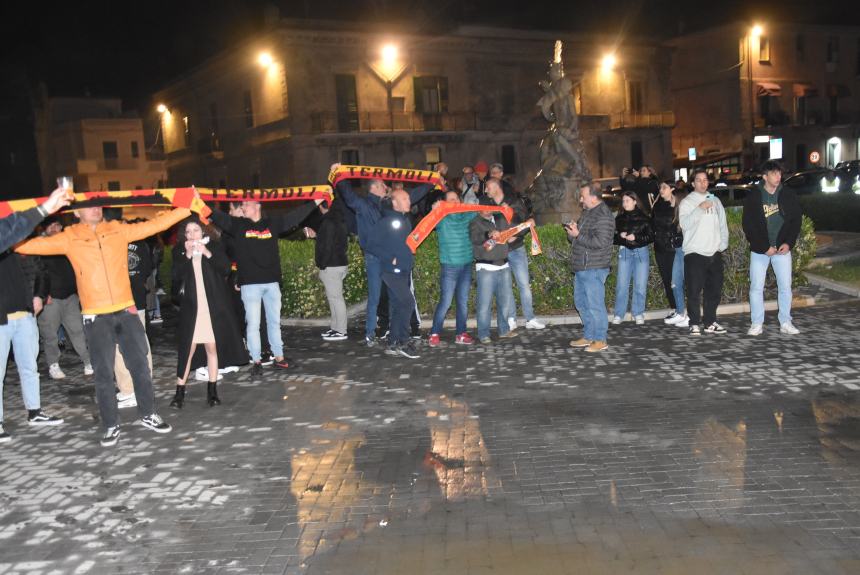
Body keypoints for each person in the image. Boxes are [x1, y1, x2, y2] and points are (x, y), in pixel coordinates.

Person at [16, 199, 191, 446]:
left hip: (126, 310)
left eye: (98, 205)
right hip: (95, 315)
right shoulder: (69, 237)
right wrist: (10, 227)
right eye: (89, 206)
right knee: (103, 374)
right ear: (76, 212)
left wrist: (185, 207)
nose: (95, 209)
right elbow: (29, 246)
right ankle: (110, 425)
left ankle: (149, 413)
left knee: (140, 365)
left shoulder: (118, 229)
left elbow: (155, 225)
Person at [209, 197, 322, 375]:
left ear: (258, 206)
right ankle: (256, 361)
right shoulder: (238, 225)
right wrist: (197, 202)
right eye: (243, 205)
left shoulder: (272, 223)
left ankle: (279, 357)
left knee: (274, 322)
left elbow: (295, 216)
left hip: (271, 283)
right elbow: (216, 216)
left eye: (246, 204)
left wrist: (315, 202)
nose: (244, 208)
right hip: (250, 285)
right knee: (253, 324)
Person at [0, 188, 72, 443]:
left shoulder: (21, 249)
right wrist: (43, 209)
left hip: (24, 315)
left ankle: (35, 412)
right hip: (1, 320)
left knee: (29, 367)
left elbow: (40, 272)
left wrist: (39, 295)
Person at [331, 163, 431, 347]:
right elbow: (348, 196)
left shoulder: (387, 204)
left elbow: (409, 198)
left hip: (391, 258)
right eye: (384, 184)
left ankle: (395, 336)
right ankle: (370, 334)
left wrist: (432, 182)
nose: (387, 187)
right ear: (375, 187)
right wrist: (340, 175)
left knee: (395, 298)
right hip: (374, 256)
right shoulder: (363, 204)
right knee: (376, 295)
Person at [170, 217, 246, 408]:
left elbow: (225, 269)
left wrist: (206, 252)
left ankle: (212, 391)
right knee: (188, 350)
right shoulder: (179, 251)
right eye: (188, 232)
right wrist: (187, 255)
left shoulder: (214, 246)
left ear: (203, 231)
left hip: (212, 306)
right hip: (192, 308)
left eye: (195, 230)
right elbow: (176, 277)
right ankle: (179, 393)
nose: (192, 235)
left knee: (212, 348)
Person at [742, 160, 802, 336]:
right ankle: (756, 323)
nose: (778, 177)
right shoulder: (754, 196)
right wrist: (764, 247)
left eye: (779, 173)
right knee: (756, 287)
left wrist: (788, 243)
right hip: (761, 251)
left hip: (782, 249)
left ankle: (785, 321)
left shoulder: (788, 194)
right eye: (774, 174)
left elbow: (795, 221)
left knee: (785, 287)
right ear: (765, 176)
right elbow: (749, 225)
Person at [482, 172, 545, 331]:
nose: (486, 191)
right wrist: (490, 234)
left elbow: (525, 223)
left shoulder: (514, 202)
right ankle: (511, 318)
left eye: (488, 187)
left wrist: (515, 235)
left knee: (524, 285)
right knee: (506, 287)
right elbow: (481, 227)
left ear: (496, 187)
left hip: (516, 249)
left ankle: (530, 318)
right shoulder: (486, 206)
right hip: (500, 252)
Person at [365, 189, 420, 359]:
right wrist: (391, 258)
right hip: (391, 271)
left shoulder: (405, 220)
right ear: (394, 203)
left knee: (398, 307)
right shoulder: (386, 221)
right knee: (408, 303)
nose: (408, 201)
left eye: (408, 197)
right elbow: (370, 245)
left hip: (403, 271)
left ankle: (393, 342)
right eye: (404, 198)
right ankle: (403, 341)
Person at [36, 218, 93, 380]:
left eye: (57, 225)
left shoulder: (68, 243)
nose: (55, 228)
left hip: (70, 297)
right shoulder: (40, 246)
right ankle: (53, 364)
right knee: (50, 335)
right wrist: (41, 294)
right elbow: (35, 273)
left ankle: (88, 361)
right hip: (50, 299)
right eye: (51, 225)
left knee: (78, 331)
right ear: (45, 228)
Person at [679, 168, 729, 336]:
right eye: (698, 180)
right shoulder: (687, 202)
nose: (702, 183)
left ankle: (710, 321)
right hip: (695, 252)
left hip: (714, 252)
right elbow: (684, 224)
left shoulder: (715, 201)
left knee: (714, 290)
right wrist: (700, 208)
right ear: (692, 183)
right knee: (693, 291)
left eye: (705, 180)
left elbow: (723, 224)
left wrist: (722, 244)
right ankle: (694, 323)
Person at [566, 182, 615, 353]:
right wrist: (573, 232)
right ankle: (589, 336)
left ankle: (600, 339)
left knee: (595, 305)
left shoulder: (603, 215)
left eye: (583, 196)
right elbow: (580, 237)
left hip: (594, 267)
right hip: (582, 266)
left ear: (594, 198)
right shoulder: (588, 212)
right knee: (581, 303)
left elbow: (600, 243)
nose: (580, 199)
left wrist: (578, 234)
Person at [470, 178, 518, 344]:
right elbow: (475, 238)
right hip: (486, 268)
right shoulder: (475, 222)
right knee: (484, 304)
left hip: (503, 265)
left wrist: (514, 233)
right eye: (484, 209)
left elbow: (509, 234)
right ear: (479, 209)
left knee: (504, 301)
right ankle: (483, 334)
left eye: (490, 208)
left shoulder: (499, 218)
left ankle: (504, 330)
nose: (488, 211)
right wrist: (489, 235)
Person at [428, 190, 477, 347]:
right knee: (446, 301)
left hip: (466, 264)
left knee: (462, 302)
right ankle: (434, 333)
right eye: (450, 200)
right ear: (444, 203)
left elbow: (483, 212)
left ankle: (460, 334)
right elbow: (428, 222)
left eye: (456, 199)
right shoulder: (441, 218)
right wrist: (434, 209)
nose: (454, 202)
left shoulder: (467, 215)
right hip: (449, 266)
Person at [306, 200, 349, 341]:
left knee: (336, 299)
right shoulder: (338, 220)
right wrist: (318, 237)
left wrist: (322, 264)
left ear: (320, 206)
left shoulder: (328, 222)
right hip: (338, 263)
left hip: (332, 265)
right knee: (334, 298)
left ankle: (341, 330)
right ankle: (336, 328)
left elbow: (328, 246)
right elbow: (333, 241)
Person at [612, 191, 654, 325]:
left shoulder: (645, 218)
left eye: (627, 201)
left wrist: (636, 237)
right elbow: (612, 237)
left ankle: (638, 313)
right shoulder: (619, 219)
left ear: (635, 201)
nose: (625, 204)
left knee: (640, 285)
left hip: (641, 252)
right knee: (621, 285)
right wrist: (620, 237)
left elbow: (651, 237)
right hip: (624, 252)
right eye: (623, 201)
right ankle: (619, 314)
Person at [651, 183, 688, 327]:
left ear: (672, 189)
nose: (661, 190)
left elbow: (678, 226)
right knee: (668, 280)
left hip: (676, 248)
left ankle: (683, 311)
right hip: (661, 247)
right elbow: (653, 224)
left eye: (664, 188)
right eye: (660, 188)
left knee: (676, 281)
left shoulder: (680, 204)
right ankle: (676, 309)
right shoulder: (658, 205)